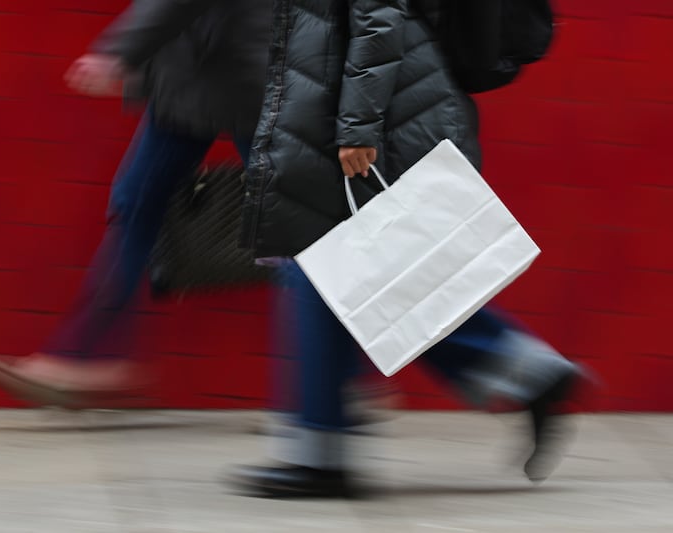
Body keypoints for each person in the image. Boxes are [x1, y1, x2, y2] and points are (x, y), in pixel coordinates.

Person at [229, 0, 584, 498]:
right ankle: (528, 371)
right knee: (350, 265)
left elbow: (378, 16)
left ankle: (322, 452)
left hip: (368, 108)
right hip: (342, 95)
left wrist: (358, 127)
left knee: (320, 261)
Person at [0, 0, 273, 405]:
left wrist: (119, 51)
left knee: (287, 220)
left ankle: (335, 376)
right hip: (211, 71)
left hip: (235, 67)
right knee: (139, 201)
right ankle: (88, 353)